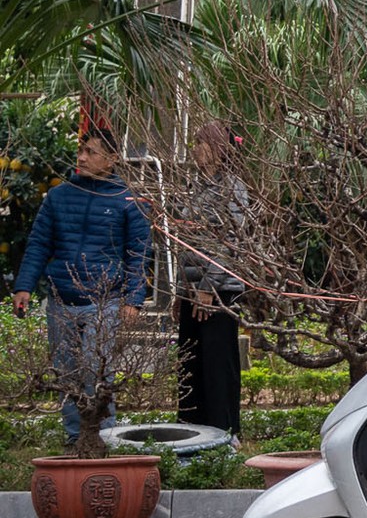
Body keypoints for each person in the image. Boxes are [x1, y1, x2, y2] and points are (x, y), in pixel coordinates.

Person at [10, 129, 153, 452]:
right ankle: (75, 439)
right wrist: (24, 287)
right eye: (81, 151)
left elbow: (139, 254)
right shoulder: (59, 197)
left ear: (112, 159)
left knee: (97, 373)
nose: (82, 158)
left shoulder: (128, 199)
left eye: (90, 152)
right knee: (67, 375)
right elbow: (38, 245)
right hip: (62, 299)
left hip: (105, 302)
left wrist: (133, 300)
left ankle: (105, 439)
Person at [175, 120, 250, 435]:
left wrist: (209, 290)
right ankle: (192, 433)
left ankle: (224, 433)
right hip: (193, 291)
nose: (197, 149)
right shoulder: (194, 187)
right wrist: (183, 292)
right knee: (191, 364)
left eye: (202, 143)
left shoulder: (233, 188)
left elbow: (227, 243)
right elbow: (187, 245)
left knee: (218, 367)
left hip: (220, 292)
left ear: (220, 149)